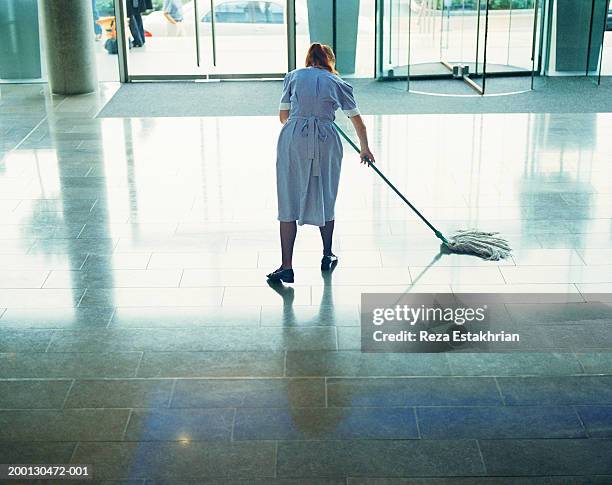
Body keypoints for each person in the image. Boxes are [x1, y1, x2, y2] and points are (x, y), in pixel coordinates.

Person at [267, 43, 375, 284]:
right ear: (330, 61)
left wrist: (303, 116)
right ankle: (327, 255)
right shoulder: (338, 83)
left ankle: (287, 266)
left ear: (308, 59)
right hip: (326, 139)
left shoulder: (292, 77)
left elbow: (283, 117)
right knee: (326, 195)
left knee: (288, 198)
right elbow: (358, 122)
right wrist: (365, 148)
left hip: (293, 139)